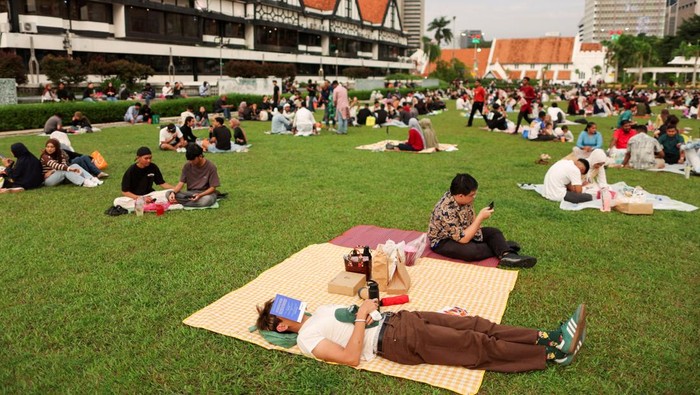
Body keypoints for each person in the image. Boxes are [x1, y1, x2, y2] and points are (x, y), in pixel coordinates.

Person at [255, 297, 587, 372]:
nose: (295, 303)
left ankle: (550, 335)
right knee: (473, 345)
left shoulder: (322, 310)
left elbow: (355, 314)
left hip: (400, 319)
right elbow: (350, 357)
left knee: (477, 324)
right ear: (282, 325)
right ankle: (555, 354)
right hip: (395, 341)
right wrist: (359, 318)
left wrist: (365, 305)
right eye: (286, 307)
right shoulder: (306, 338)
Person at [428, 173, 537, 268]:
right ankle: (502, 247)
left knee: (494, 232)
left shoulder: (461, 196)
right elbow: (463, 239)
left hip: (464, 230)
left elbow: (470, 213)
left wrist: (476, 226)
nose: (474, 197)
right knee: (473, 251)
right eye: (472, 195)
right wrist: (480, 218)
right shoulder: (445, 210)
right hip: (444, 241)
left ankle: (506, 255)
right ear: (461, 195)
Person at [167, 144, 220, 208]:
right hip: (191, 193)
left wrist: (200, 195)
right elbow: (181, 183)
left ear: (200, 156)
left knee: (207, 200)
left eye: (192, 160)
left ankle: (181, 202)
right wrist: (173, 193)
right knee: (168, 193)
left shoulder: (211, 167)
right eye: (189, 160)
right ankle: (188, 202)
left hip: (205, 194)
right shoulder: (187, 166)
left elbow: (212, 188)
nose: (190, 162)